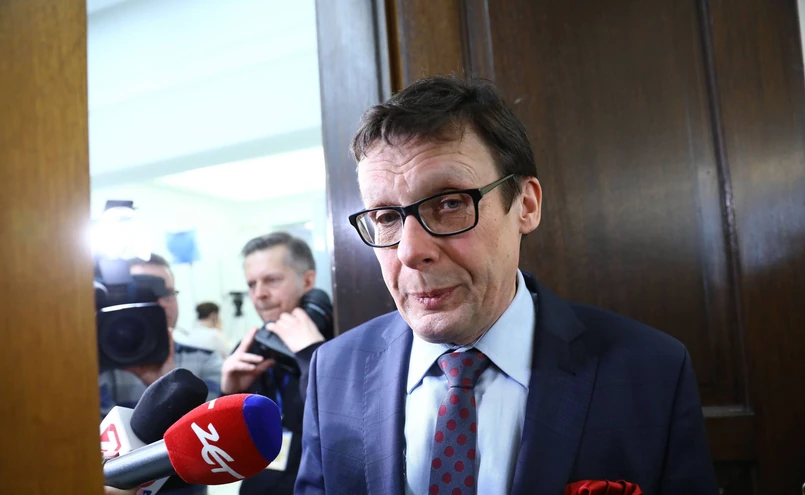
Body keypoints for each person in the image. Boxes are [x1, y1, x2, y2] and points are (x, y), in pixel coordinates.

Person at [295, 76, 720, 495]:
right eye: (387, 217)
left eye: (450, 203)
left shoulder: (651, 371)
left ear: (526, 206)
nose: (410, 251)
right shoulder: (333, 371)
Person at [98, 254, 222, 495]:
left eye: (167, 293)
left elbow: (206, 441)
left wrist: (169, 385)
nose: (159, 303)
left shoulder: (205, 359)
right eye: (143, 293)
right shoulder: (96, 367)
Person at [220, 232, 332, 495]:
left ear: (308, 281)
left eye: (271, 280)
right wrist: (229, 394)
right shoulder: (250, 348)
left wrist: (311, 356)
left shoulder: (336, 344)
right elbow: (227, 452)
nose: (259, 294)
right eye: (252, 284)